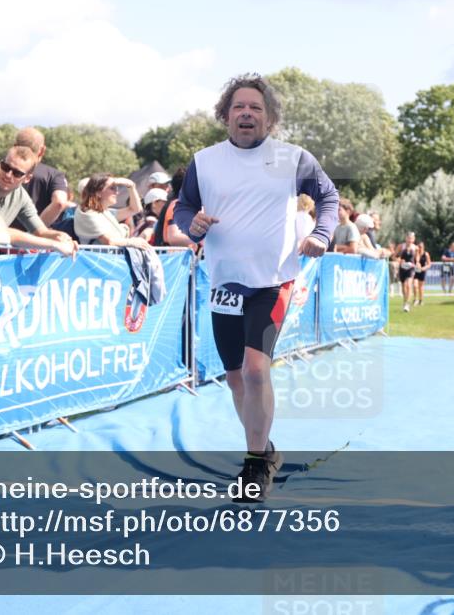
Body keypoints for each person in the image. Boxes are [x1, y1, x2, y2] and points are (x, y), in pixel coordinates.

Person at [174, 73, 338, 501]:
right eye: (239, 107)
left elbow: (329, 198)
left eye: (256, 108)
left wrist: (320, 234)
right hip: (225, 282)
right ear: (226, 115)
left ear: (270, 118)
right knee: (234, 378)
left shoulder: (292, 158)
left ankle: (253, 467)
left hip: (273, 280)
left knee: (255, 368)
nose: (247, 113)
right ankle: (264, 450)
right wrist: (189, 223)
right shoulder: (204, 161)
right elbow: (185, 206)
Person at [0, 146, 78, 256]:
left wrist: (62, 237)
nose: (8, 175)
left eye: (17, 173)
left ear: (27, 178)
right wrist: (54, 244)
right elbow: (2, 230)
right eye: (5, 167)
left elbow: (41, 231)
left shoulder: (21, 195)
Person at [73, 174, 151, 248]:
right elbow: (109, 241)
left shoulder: (104, 212)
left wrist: (131, 186)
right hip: (98, 260)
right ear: (98, 192)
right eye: (112, 188)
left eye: (116, 188)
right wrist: (133, 242)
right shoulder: (88, 214)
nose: (117, 192)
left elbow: (135, 209)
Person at [14, 127, 69, 227]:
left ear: (14, 146)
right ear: (42, 150)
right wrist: (36, 229)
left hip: (1, 236)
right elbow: (60, 202)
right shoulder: (54, 175)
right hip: (36, 240)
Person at [398, 232, 418, 312]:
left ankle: (407, 304)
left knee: (409, 285)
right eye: (408, 238)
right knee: (403, 286)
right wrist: (399, 260)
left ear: (413, 239)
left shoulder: (416, 248)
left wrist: (417, 263)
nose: (410, 240)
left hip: (411, 268)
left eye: (411, 238)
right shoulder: (401, 246)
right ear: (406, 238)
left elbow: (417, 258)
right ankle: (404, 301)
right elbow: (394, 256)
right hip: (402, 268)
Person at [413, 241, 430, 306]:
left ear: (423, 247)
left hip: (422, 271)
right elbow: (413, 262)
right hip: (415, 271)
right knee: (415, 285)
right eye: (419, 247)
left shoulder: (426, 254)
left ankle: (421, 300)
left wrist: (423, 268)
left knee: (421, 287)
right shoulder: (415, 254)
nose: (420, 248)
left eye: (421, 247)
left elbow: (429, 264)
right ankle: (415, 299)